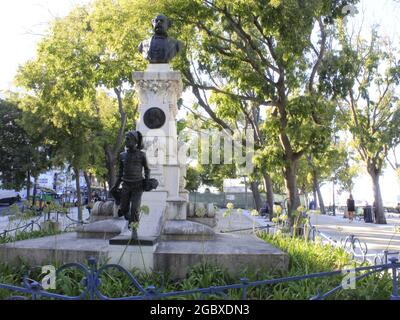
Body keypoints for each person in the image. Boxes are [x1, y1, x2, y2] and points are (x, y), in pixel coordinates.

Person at [111, 131, 150, 235]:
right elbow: (120, 174)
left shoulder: (142, 155)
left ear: (135, 141)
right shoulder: (122, 155)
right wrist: (114, 186)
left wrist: (146, 182)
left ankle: (134, 231)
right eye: (126, 138)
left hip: (138, 185)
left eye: (128, 139)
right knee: (123, 209)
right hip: (126, 185)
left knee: (135, 209)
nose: (126, 141)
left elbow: (147, 169)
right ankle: (129, 219)